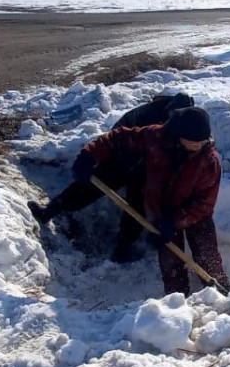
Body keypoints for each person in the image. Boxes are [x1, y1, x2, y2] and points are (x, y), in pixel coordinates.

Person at [69, 106, 230, 296]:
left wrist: (176, 221)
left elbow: (205, 203)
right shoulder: (157, 138)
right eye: (192, 142)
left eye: (201, 142)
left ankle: (221, 292)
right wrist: (89, 154)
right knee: (171, 263)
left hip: (195, 213)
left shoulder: (209, 160)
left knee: (207, 256)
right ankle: (178, 302)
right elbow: (118, 138)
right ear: (179, 135)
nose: (197, 146)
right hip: (161, 210)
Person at [27, 92, 194, 262]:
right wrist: (92, 156)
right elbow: (117, 134)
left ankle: (123, 248)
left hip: (148, 170)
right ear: (169, 108)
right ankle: (48, 211)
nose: (174, 119)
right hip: (122, 158)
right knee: (88, 189)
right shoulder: (147, 114)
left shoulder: (189, 130)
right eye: (173, 114)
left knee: (138, 208)